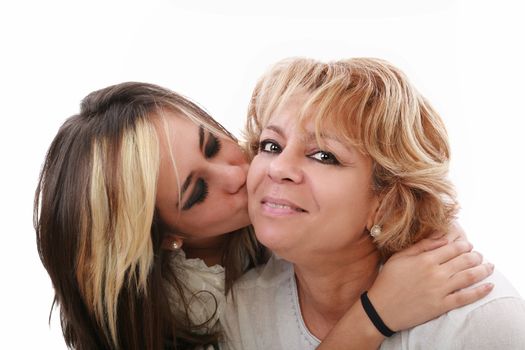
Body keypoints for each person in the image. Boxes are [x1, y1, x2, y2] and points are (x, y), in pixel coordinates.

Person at [35, 82, 494, 350]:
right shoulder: (173, 320)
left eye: (215, 144)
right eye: (197, 191)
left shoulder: (283, 189)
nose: (240, 174)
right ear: (165, 238)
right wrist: (371, 317)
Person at [221, 57, 525, 349]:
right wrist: (371, 318)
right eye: (271, 145)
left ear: (389, 202)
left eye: (324, 156)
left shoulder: (479, 322)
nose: (278, 168)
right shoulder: (245, 307)